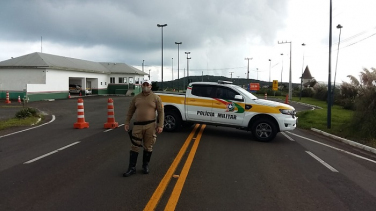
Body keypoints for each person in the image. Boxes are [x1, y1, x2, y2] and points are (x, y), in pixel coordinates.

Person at [123, 80, 164, 177]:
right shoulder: (136, 98)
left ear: (151, 86)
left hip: (150, 125)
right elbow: (130, 111)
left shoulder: (156, 98)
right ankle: (131, 168)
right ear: (142, 86)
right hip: (137, 125)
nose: (145, 86)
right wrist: (127, 122)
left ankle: (145, 165)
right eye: (144, 84)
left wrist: (160, 125)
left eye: (147, 85)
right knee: (134, 146)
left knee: (148, 146)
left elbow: (161, 112)